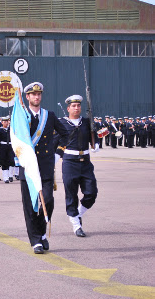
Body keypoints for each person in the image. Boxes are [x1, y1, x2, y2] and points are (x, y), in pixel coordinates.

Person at [17, 82, 68, 254]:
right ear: (27, 97)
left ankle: (41, 232)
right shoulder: (21, 116)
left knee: (48, 200)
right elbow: (16, 139)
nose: (37, 97)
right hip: (28, 167)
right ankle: (36, 241)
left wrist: (58, 152)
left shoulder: (49, 115)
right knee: (30, 206)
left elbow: (65, 134)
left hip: (46, 166)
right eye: (33, 94)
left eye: (39, 94)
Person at [59, 95, 99, 237]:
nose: (77, 108)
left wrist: (96, 143)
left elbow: (94, 134)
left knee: (91, 193)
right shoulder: (62, 123)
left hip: (86, 162)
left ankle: (78, 214)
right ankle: (76, 225)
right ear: (68, 108)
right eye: (73, 106)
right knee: (71, 194)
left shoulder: (87, 122)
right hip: (69, 162)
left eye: (78, 106)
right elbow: (56, 141)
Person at [0, 116, 15, 183]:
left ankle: (10, 175)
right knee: (4, 162)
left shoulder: (11, 130)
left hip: (10, 146)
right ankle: (5, 177)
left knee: (12, 161)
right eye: (4, 122)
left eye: (7, 122)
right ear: (2, 122)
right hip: (2, 147)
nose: (6, 123)